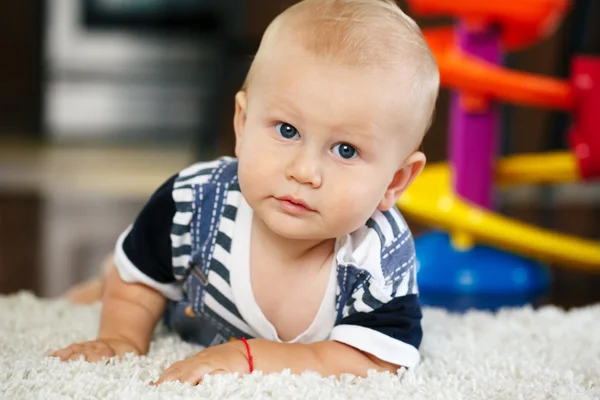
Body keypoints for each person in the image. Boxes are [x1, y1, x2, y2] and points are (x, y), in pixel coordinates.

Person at [51, 0, 439, 385]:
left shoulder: (378, 257)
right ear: (242, 123)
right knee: (131, 276)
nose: (304, 172)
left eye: (346, 150)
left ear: (394, 182)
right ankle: (102, 279)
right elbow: (140, 280)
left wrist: (250, 357)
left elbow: (376, 361)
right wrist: (121, 337)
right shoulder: (195, 202)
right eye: (287, 130)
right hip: (188, 303)